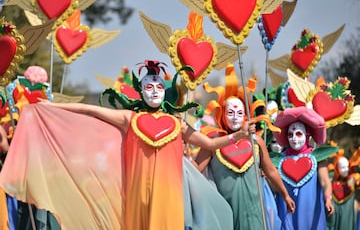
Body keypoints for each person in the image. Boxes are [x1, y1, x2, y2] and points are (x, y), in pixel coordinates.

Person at [0, 60, 255, 230]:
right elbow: (90, 111)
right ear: (141, 91)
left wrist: (240, 135)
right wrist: (53, 107)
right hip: (136, 196)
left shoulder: (177, 123)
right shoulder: (129, 118)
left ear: (165, 93)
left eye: (158, 87)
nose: (154, 90)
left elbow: (208, 143)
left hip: (169, 197)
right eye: (149, 86)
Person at [194, 64, 295, 230]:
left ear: (246, 116)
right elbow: (196, 169)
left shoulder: (256, 142)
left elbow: (270, 170)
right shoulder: (212, 143)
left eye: (240, 113)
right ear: (222, 113)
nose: (235, 118)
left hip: (255, 213)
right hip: (225, 214)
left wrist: (285, 194)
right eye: (230, 113)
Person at [272, 106, 337, 230]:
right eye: (290, 135)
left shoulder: (318, 157)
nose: (294, 138)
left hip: (311, 211)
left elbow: (325, 181)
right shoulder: (279, 159)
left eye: (298, 134)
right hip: (287, 211)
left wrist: (328, 198)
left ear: (307, 136)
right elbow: (274, 186)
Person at [327, 145, 360, 230]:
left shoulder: (353, 180)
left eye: (347, 167)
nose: (346, 169)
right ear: (337, 168)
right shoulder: (331, 181)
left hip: (347, 216)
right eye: (342, 167)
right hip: (333, 215)